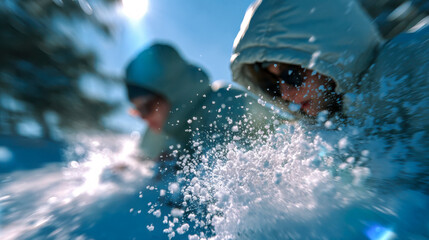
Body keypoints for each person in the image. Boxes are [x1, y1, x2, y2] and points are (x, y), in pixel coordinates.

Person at [230, 0, 428, 188]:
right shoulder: (323, 141)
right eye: (272, 84)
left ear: (331, 57)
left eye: (291, 75)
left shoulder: (413, 64)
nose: (286, 94)